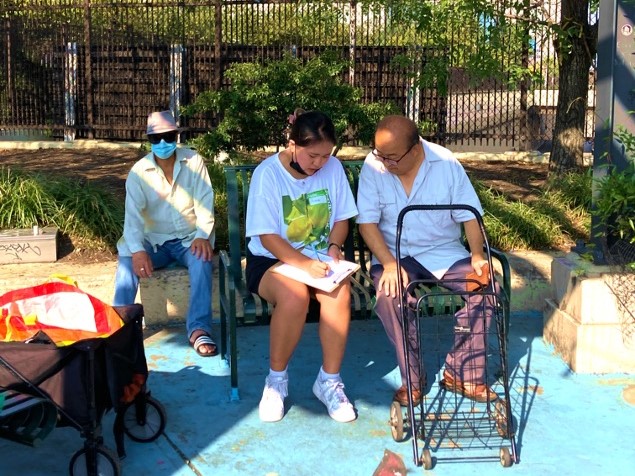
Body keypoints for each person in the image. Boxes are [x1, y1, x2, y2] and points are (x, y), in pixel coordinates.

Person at [357, 115, 498, 405]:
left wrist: (477, 255)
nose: (385, 163)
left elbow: (469, 214)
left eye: (392, 157)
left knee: (483, 286)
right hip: (394, 254)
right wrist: (390, 263)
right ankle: (413, 378)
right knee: (389, 295)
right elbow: (367, 224)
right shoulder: (374, 165)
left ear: (417, 148)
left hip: (443, 252)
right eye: (380, 155)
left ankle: (463, 374)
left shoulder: (445, 163)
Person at [245, 110, 358, 423]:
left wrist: (334, 247)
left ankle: (329, 381)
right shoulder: (267, 174)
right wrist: (304, 264)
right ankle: (276, 381)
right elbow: (267, 237)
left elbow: (341, 219)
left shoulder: (332, 168)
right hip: (271, 260)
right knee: (294, 296)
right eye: (313, 156)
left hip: (320, 260)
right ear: (292, 144)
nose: (319, 164)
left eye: (326, 155)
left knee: (340, 292)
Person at [113, 110, 217, 357]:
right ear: (148, 140)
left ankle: (199, 329)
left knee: (203, 260)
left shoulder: (193, 162)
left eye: (168, 137)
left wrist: (203, 235)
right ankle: (118, 329)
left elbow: (205, 201)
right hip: (154, 243)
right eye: (155, 139)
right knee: (127, 263)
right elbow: (133, 217)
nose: (162, 143)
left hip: (189, 239)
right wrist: (138, 251)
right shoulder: (139, 173)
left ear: (176, 136)